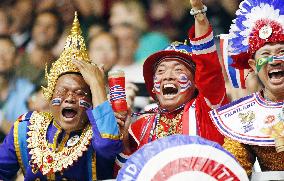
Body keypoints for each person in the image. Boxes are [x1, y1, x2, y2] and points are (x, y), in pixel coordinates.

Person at [0, 12, 122, 180]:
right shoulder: (26, 128)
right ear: (50, 98)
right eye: (62, 91)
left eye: (80, 93)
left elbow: (108, 145)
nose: (70, 98)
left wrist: (96, 84)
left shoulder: (96, 133)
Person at [115, 0, 228, 169]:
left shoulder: (207, 111)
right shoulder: (140, 125)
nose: (168, 76)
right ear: (153, 87)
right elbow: (125, 174)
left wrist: (199, 15)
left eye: (178, 70)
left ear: (196, 83)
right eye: (160, 71)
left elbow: (209, 69)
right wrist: (124, 141)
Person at [209, 0, 284, 177]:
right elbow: (233, 170)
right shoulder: (243, 115)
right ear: (253, 65)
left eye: (281, 52)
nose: (274, 60)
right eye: (265, 54)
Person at [0, 35, 34, 142]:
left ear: (16, 59)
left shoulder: (27, 89)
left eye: (7, 52)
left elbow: (23, 135)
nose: (1, 56)